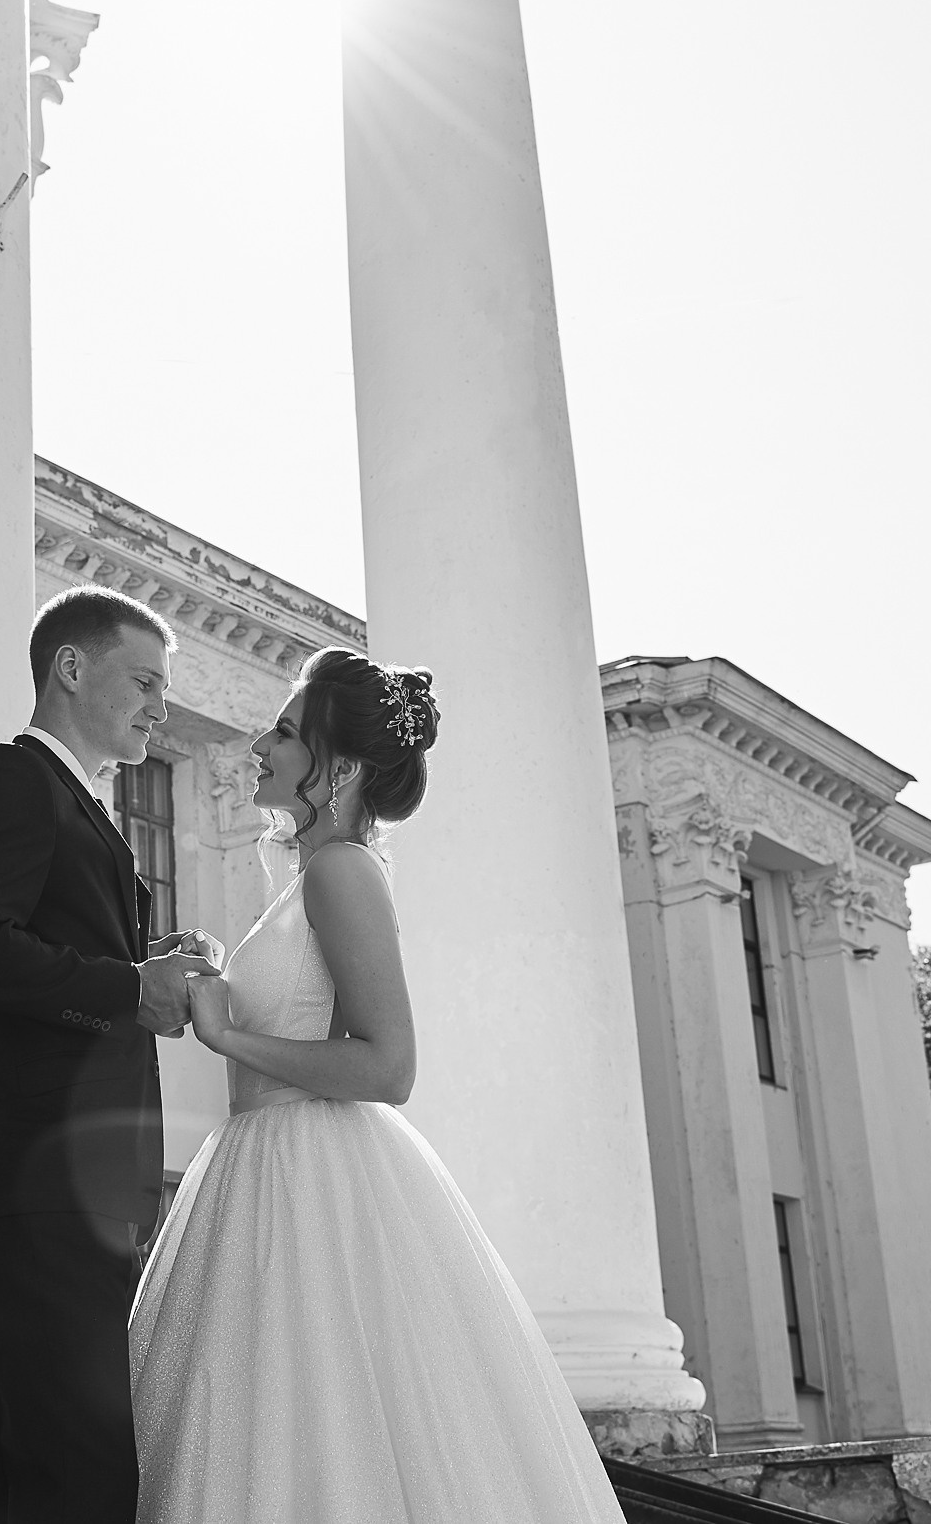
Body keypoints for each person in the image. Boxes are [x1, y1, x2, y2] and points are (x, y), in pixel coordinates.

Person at [129, 649, 626, 1524]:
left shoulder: (340, 871)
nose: (260, 744)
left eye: (284, 732)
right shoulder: (307, 877)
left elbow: (389, 1064)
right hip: (259, 1170)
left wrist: (227, 1030)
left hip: (309, 1178)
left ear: (345, 767)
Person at [0, 585, 220, 1524]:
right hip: (35, 1173)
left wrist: (140, 967)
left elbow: (59, 954)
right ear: (71, 667)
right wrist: (130, 987)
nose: (158, 710)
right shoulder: (7, 776)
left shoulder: (82, 805)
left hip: (72, 1180)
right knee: (74, 1469)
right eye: (144, 682)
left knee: (41, 1465)